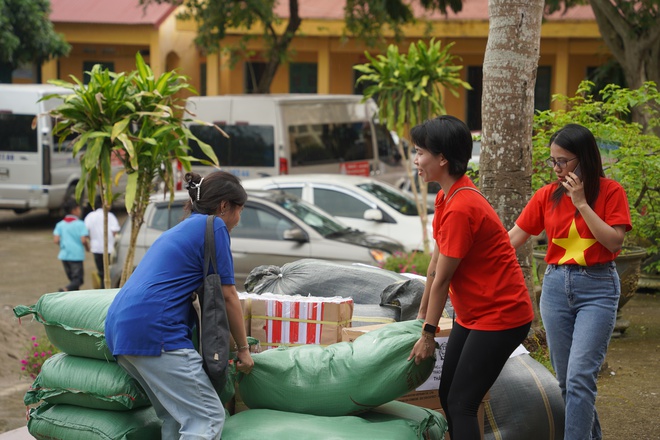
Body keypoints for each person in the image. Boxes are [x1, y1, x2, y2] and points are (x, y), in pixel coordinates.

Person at [408, 115, 533, 440]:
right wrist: (421, 317)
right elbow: (434, 267)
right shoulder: (446, 197)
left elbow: (444, 280)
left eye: (420, 152)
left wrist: (428, 334)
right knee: (450, 393)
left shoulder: (463, 206)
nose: (416, 160)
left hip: (502, 315)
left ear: (442, 158)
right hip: (473, 314)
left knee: (462, 403)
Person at [104, 171, 254, 439]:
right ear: (223, 206)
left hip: (120, 330)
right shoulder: (214, 226)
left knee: (175, 418)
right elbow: (229, 295)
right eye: (239, 211)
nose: (239, 220)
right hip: (156, 331)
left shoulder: (183, 227)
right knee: (207, 417)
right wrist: (244, 350)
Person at [509, 123, 631, 440]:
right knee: (566, 381)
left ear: (584, 159)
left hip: (598, 288)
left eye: (562, 161)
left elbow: (614, 242)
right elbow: (514, 238)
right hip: (555, 289)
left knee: (580, 378)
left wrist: (581, 203)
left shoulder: (611, 191)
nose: (556, 168)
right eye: (553, 161)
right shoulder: (546, 196)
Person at [53, 198, 90, 292]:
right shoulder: (80, 224)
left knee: (72, 280)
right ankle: (65, 289)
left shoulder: (60, 224)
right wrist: (87, 248)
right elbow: (83, 240)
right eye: (79, 208)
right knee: (78, 280)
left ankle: (73, 297)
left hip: (64, 255)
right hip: (76, 255)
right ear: (74, 210)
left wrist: (64, 245)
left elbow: (56, 240)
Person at [84, 195, 120, 288]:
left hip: (96, 248)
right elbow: (115, 232)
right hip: (109, 248)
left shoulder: (90, 216)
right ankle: (105, 288)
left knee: (101, 271)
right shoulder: (110, 216)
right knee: (108, 271)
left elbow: (85, 232)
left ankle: (102, 287)